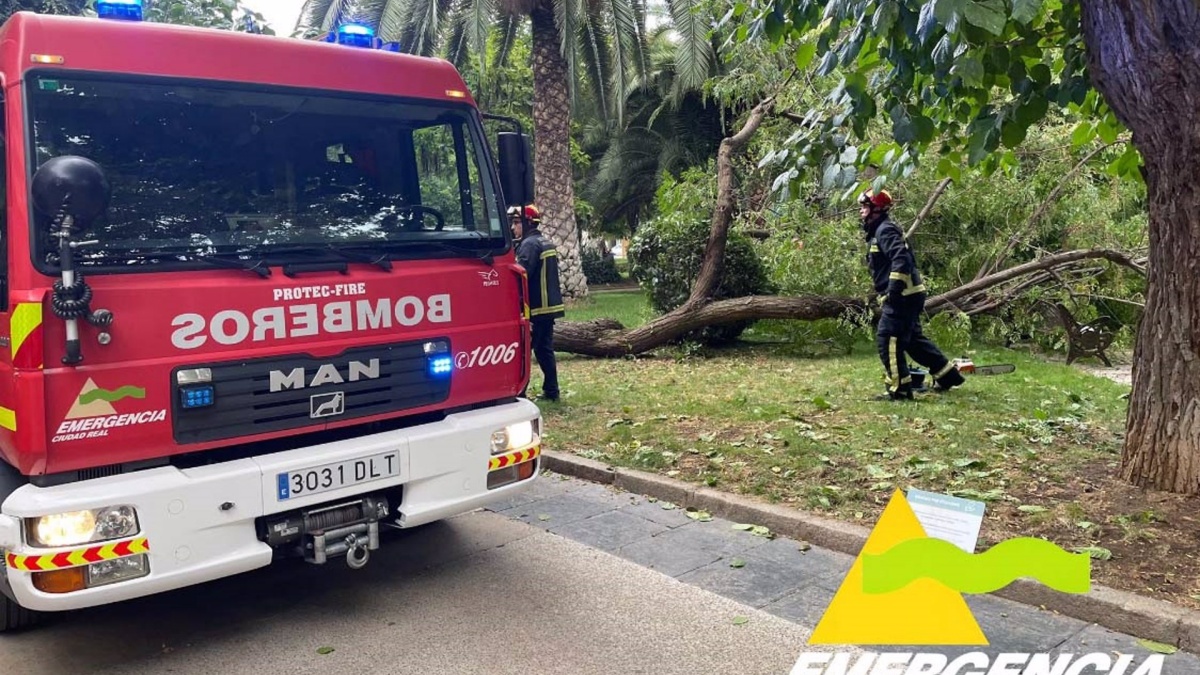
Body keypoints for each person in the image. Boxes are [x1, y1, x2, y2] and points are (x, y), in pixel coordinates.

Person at [860, 189, 965, 400]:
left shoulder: (885, 230)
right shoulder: (881, 229)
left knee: (887, 339)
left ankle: (900, 390)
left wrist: (893, 290)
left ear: (877, 210)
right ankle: (948, 376)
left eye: (865, 207)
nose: (861, 212)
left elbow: (901, 259)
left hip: (903, 295)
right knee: (913, 341)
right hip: (910, 294)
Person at [510, 204, 564, 401]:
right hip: (547, 307)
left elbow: (521, 275)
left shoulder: (529, 245)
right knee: (543, 349)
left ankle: (521, 392)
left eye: (516, 223)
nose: (513, 228)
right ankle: (551, 390)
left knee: (525, 351)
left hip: (536, 308)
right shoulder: (543, 241)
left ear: (527, 222)